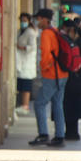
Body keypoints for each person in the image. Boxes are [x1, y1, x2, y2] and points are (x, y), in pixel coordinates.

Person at [30, 9, 67, 147]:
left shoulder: (46, 34)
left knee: (39, 104)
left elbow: (46, 56)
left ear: (45, 20)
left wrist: (42, 68)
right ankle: (59, 136)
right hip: (62, 74)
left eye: (38, 19)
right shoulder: (55, 31)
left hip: (52, 75)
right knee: (57, 104)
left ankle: (43, 134)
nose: (37, 22)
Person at [62, 19, 81, 141]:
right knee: (72, 109)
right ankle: (71, 132)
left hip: (76, 81)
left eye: (66, 30)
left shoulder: (78, 43)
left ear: (72, 30)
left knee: (71, 108)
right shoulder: (80, 41)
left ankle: (72, 133)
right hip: (78, 81)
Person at [14, 12, 37, 114]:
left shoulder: (30, 32)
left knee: (26, 85)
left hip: (27, 61)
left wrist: (22, 48)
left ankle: (25, 105)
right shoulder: (21, 31)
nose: (23, 23)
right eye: (22, 21)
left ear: (28, 21)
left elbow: (32, 47)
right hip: (21, 61)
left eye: (25, 21)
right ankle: (23, 105)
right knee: (22, 85)